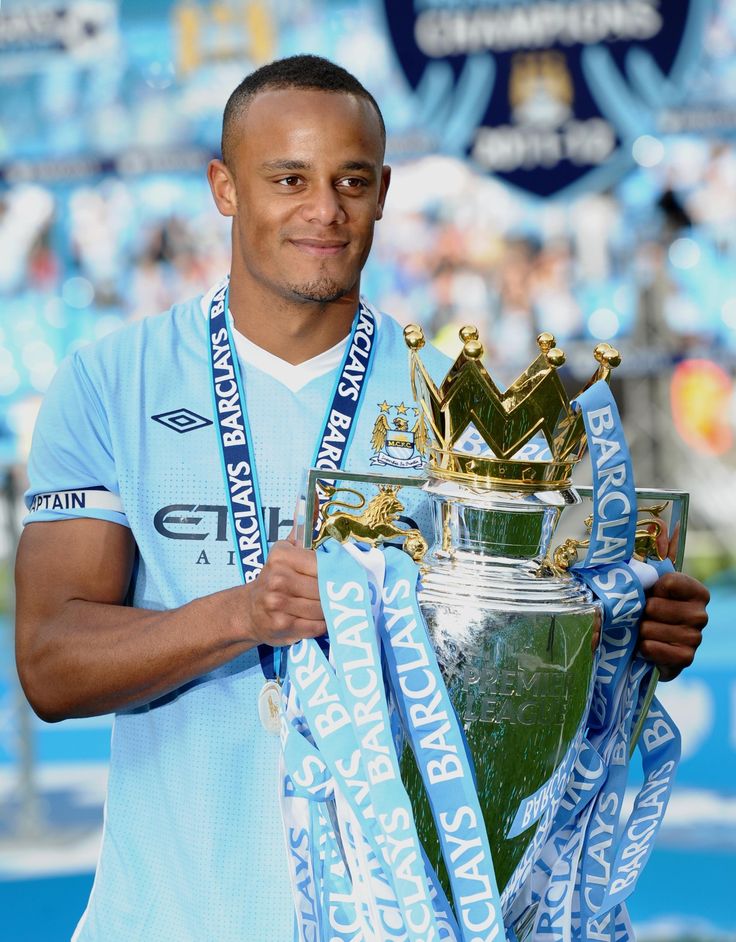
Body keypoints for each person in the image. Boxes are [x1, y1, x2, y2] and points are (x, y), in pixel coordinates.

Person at [15, 55, 709, 941]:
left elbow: (506, 667)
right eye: (288, 179)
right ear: (225, 188)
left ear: (382, 192)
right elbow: (51, 664)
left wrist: (620, 633)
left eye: (350, 180)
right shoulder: (111, 379)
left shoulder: (462, 411)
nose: (325, 210)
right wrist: (244, 614)